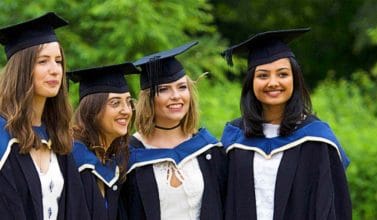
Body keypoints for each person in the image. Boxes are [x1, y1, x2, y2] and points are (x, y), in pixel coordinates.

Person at [220, 28, 352, 219]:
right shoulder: (234, 138)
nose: (273, 82)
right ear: (251, 82)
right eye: (263, 75)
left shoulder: (317, 139)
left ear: (295, 79)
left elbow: (333, 206)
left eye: (282, 74)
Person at [120, 41, 226, 220]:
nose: (176, 96)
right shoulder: (129, 155)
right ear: (149, 99)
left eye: (182, 87)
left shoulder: (208, 150)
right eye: (164, 89)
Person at [0, 12, 90, 219]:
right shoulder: (3, 138)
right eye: (43, 61)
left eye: (58, 61)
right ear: (21, 70)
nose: (55, 70)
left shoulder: (57, 137)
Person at [68, 63, 139, 220]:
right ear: (92, 109)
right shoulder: (74, 160)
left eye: (128, 101)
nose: (126, 110)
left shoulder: (113, 160)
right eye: (115, 103)